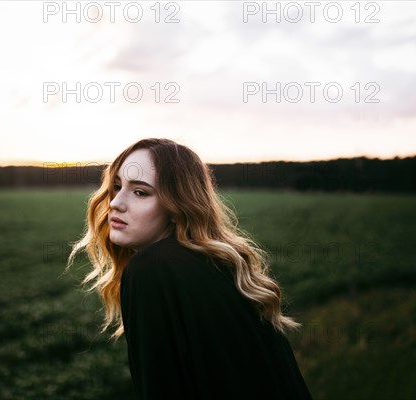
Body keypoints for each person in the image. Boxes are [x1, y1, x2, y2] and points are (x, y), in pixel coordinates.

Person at [68, 138, 312, 399]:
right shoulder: (220, 266)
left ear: (176, 207)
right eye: (117, 187)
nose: (116, 202)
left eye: (140, 192)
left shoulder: (151, 270)